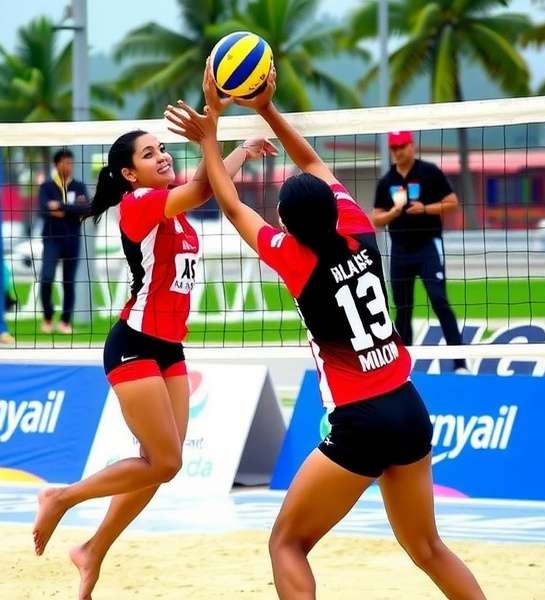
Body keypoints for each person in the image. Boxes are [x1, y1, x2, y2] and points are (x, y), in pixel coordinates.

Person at [164, 66, 485, 600]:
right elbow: (312, 163)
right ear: (332, 209)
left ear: (287, 225)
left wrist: (210, 132)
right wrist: (266, 107)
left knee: (286, 543)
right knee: (428, 548)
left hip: (361, 420)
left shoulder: (294, 259)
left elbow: (232, 205)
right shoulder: (357, 226)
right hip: (408, 404)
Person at [31, 120, 274, 599]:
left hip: (168, 347)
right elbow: (205, 187)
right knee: (163, 461)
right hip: (135, 344)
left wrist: (242, 150)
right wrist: (214, 137)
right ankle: (61, 497)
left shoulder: (172, 209)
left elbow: (205, 185)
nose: (162, 156)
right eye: (149, 154)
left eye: (162, 148)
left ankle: (92, 550)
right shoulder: (138, 203)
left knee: (163, 464)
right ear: (129, 174)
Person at [372, 130, 468, 373]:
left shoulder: (429, 172)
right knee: (402, 309)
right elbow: (376, 219)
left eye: (402, 146)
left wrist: (425, 209)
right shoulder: (387, 181)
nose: (398, 152)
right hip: (400, 251)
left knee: (439, 300)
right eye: (394, 148)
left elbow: (452, 203)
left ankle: (460, 363)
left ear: (412, 146)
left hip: (428, 247)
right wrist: (393, 212)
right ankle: (404, 368)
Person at [38, 149, 91, 334]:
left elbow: (86, 209)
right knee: (46, 278)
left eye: (70, 162)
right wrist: (71, 209)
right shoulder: (47, 186)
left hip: (72, 240)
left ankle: (65, 321)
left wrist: (60, 207)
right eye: (65, 162)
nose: (69, 166)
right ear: (57, 164)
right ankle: (48, 316)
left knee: (69, 281)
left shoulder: (79, 186)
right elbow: (43, 210)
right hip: (51, 239)